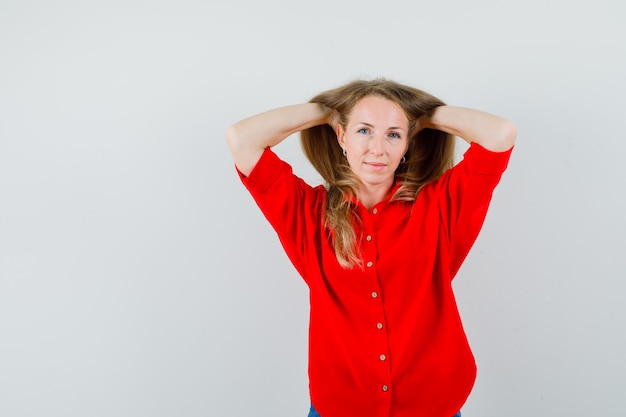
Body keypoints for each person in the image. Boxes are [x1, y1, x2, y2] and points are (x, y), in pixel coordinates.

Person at [226, 78, 516, 417]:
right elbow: (241, 139)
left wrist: (421, 117)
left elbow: (500, 134)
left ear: (407, 144)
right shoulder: (308, 214)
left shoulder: (439, 208)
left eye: (393, 134)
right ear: (341, 137)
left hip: (432, 405)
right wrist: (328, 111)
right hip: (340, 408)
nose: (378, 148)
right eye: (364, 131)